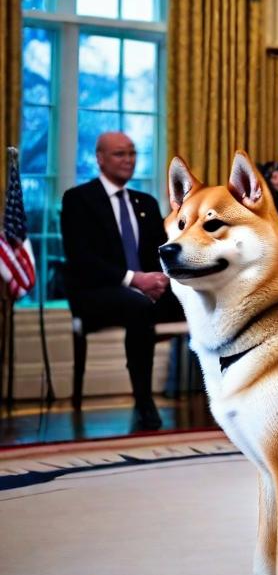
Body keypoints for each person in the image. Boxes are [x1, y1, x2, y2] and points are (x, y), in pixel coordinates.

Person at [60, 131, 182, 428]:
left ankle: (222, 395)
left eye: (132, 153)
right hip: (98, 292)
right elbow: (81, 259)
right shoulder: (79, 199)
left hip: (147, 290)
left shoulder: (146, 202)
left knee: (208, 302)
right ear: (100, 159)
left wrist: (162, 279)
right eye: (119, 154)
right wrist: (134, 280)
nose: (128, 160)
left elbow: (159, 253)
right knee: (137, 305)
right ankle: (144, 401)